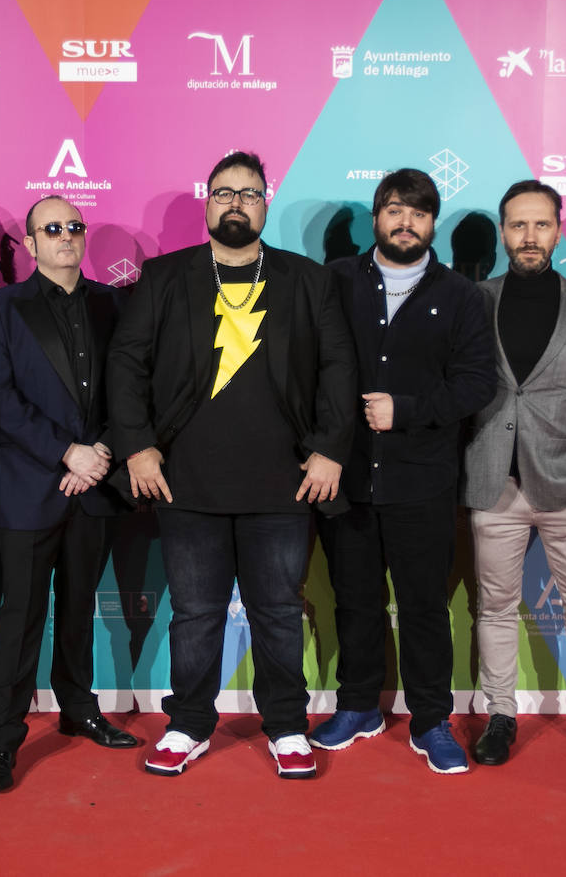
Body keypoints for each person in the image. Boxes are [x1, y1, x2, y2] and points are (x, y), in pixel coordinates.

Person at [107, 151, 357, 780]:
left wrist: (329, 449)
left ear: (265, 204)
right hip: (186, 483)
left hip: (284, 484)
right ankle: (188, 724)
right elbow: (126, 366)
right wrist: (137, 447)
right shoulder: (164, 277)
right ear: (208, 203)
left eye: (249, 193)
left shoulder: (308, 280)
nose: (236, 202)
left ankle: (287, 728)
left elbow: (338, 370)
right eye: (224, 192)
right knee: (195, 615)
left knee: (277, 611)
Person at [310, 168, 495, 775]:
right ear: (376, 217)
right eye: (394, 209)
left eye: (418, 212)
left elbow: (475, 384)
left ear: (432, 222)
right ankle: (359, 706)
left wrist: (407, 410)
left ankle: (432, 719)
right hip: (349, 480)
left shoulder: (462, 296)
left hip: (423, 482)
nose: (405, 221)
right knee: (355, 603)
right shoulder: (336, 283)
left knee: (423, 608)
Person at [460, 180, 566, 768]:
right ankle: (500, 712)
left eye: (541, 225)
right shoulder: (473, 300)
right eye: (518, 226)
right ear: (504, 232)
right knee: (496, 606)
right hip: (492, 482)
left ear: (558, 230)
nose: (529, 237)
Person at [0, 195, 136, 793]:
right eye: (52, 228)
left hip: (92, 487)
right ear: (31, 242)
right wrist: (65, 452)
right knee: (18, 616)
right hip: (28, 488)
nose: (66, 236)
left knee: (77, 609)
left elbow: (129, 389)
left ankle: (79, 708)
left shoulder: (112, 304)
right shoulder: (1, 309)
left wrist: (98, 455)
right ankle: (5, 736)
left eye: (74, 226)